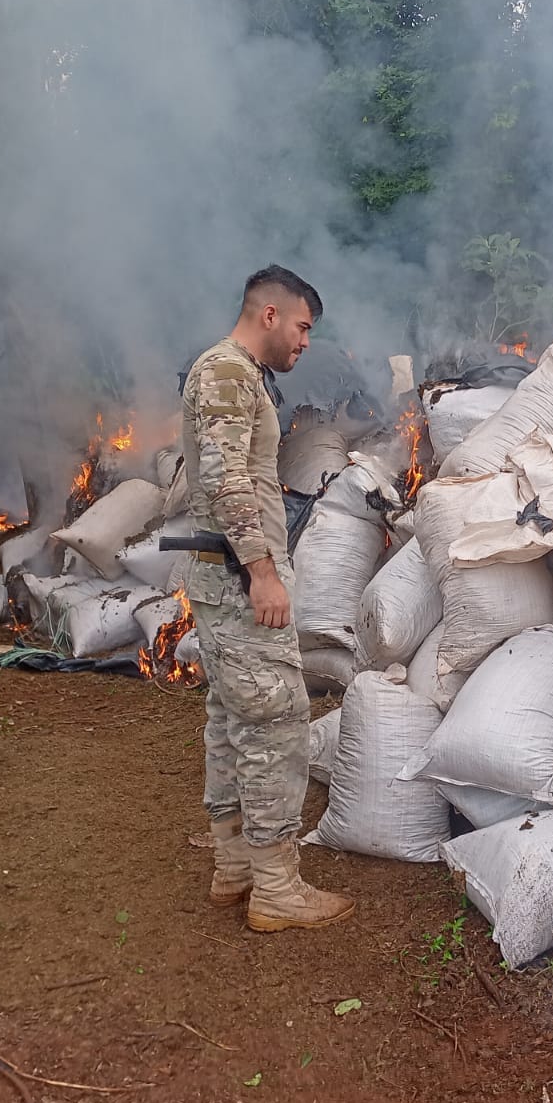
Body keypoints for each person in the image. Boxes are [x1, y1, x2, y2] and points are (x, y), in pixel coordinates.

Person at [180, 265, 354, 932]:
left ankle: (235, 867)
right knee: (278, 721)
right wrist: (262, 571)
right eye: (304, 326)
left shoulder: (232, 374)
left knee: (231, 718)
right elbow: (227, 480)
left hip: (221, 578)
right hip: (236, 580)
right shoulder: (226, 372)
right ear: (271, 313)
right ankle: (277, 888)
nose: (306, 342)